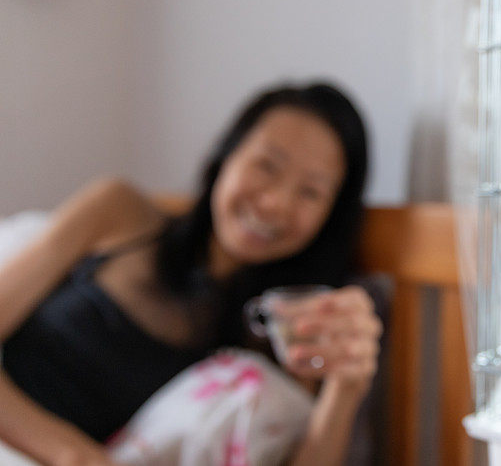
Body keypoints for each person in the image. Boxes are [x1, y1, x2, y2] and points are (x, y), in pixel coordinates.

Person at [0, 82, 382, 466]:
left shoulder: (285, 336)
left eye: (311, 192)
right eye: (267, 165)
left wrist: (345, 388)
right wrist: (70, 453)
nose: (276, 203)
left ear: (331, 216)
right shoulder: (118, 214)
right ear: (226, 156)